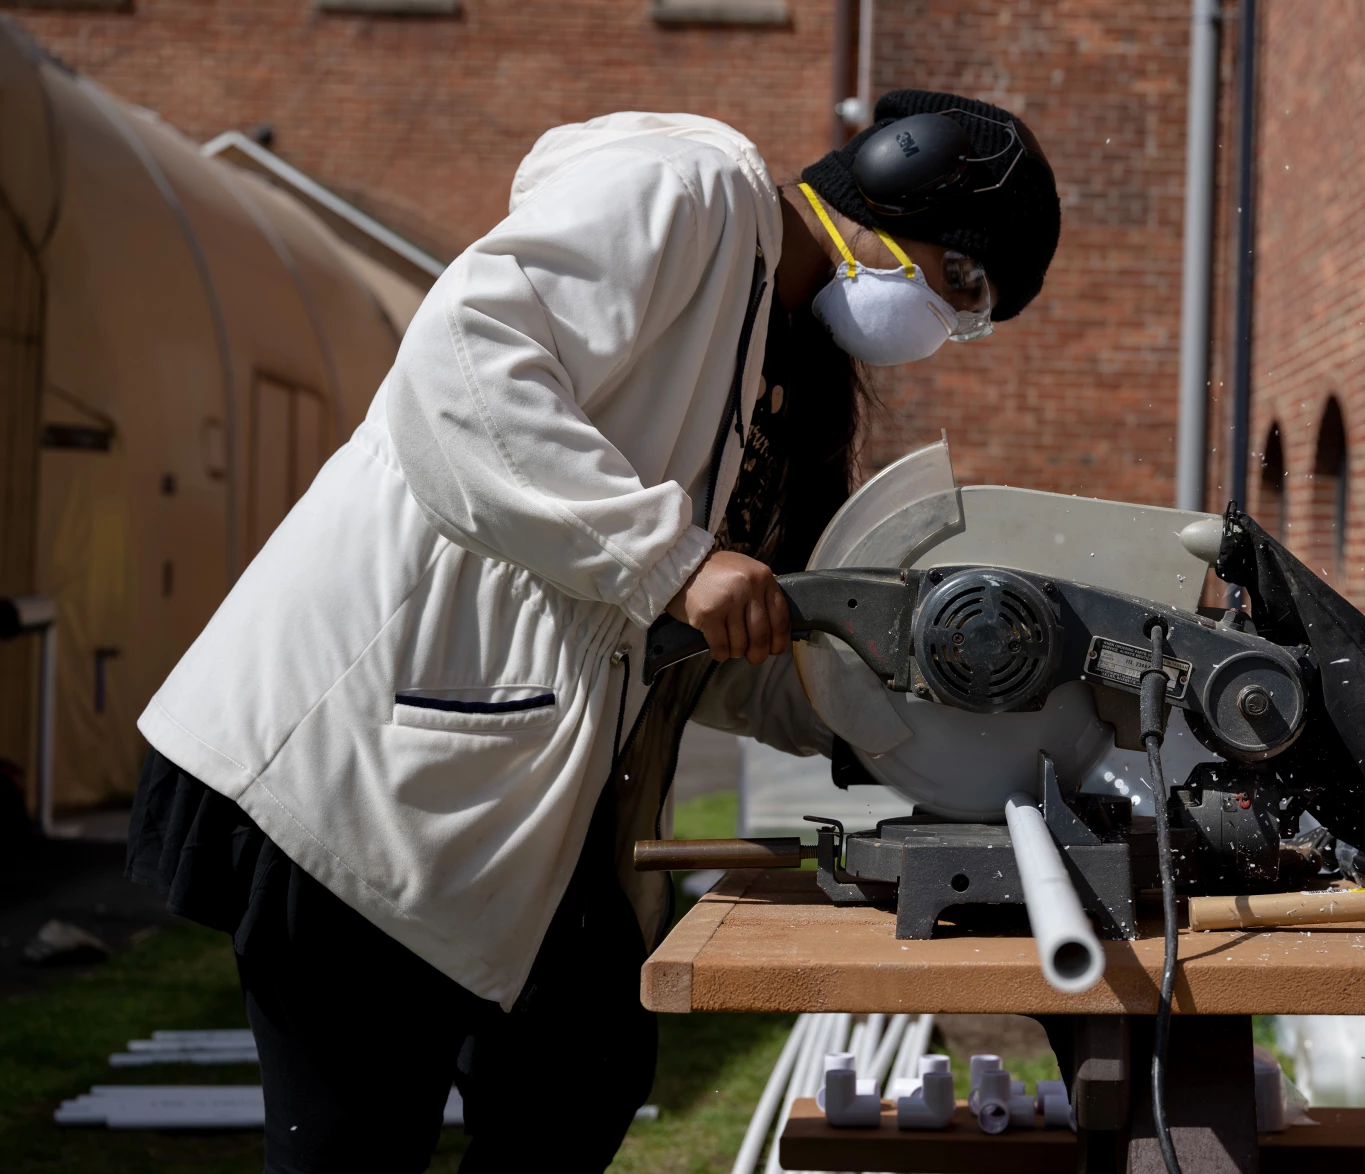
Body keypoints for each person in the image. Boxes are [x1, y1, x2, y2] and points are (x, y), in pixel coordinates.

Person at [125, 90, 1060, 1172]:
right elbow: (464, 369)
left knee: (582, 1074)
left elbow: (719, 646)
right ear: (897, 189)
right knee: (354, 1141)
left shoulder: (778, 376)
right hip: (364, 766)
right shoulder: (688, 189)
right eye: (961, 283)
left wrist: (893, 722)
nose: (945, 325)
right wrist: (673, 561)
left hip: (508, 799)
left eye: (971, 313)